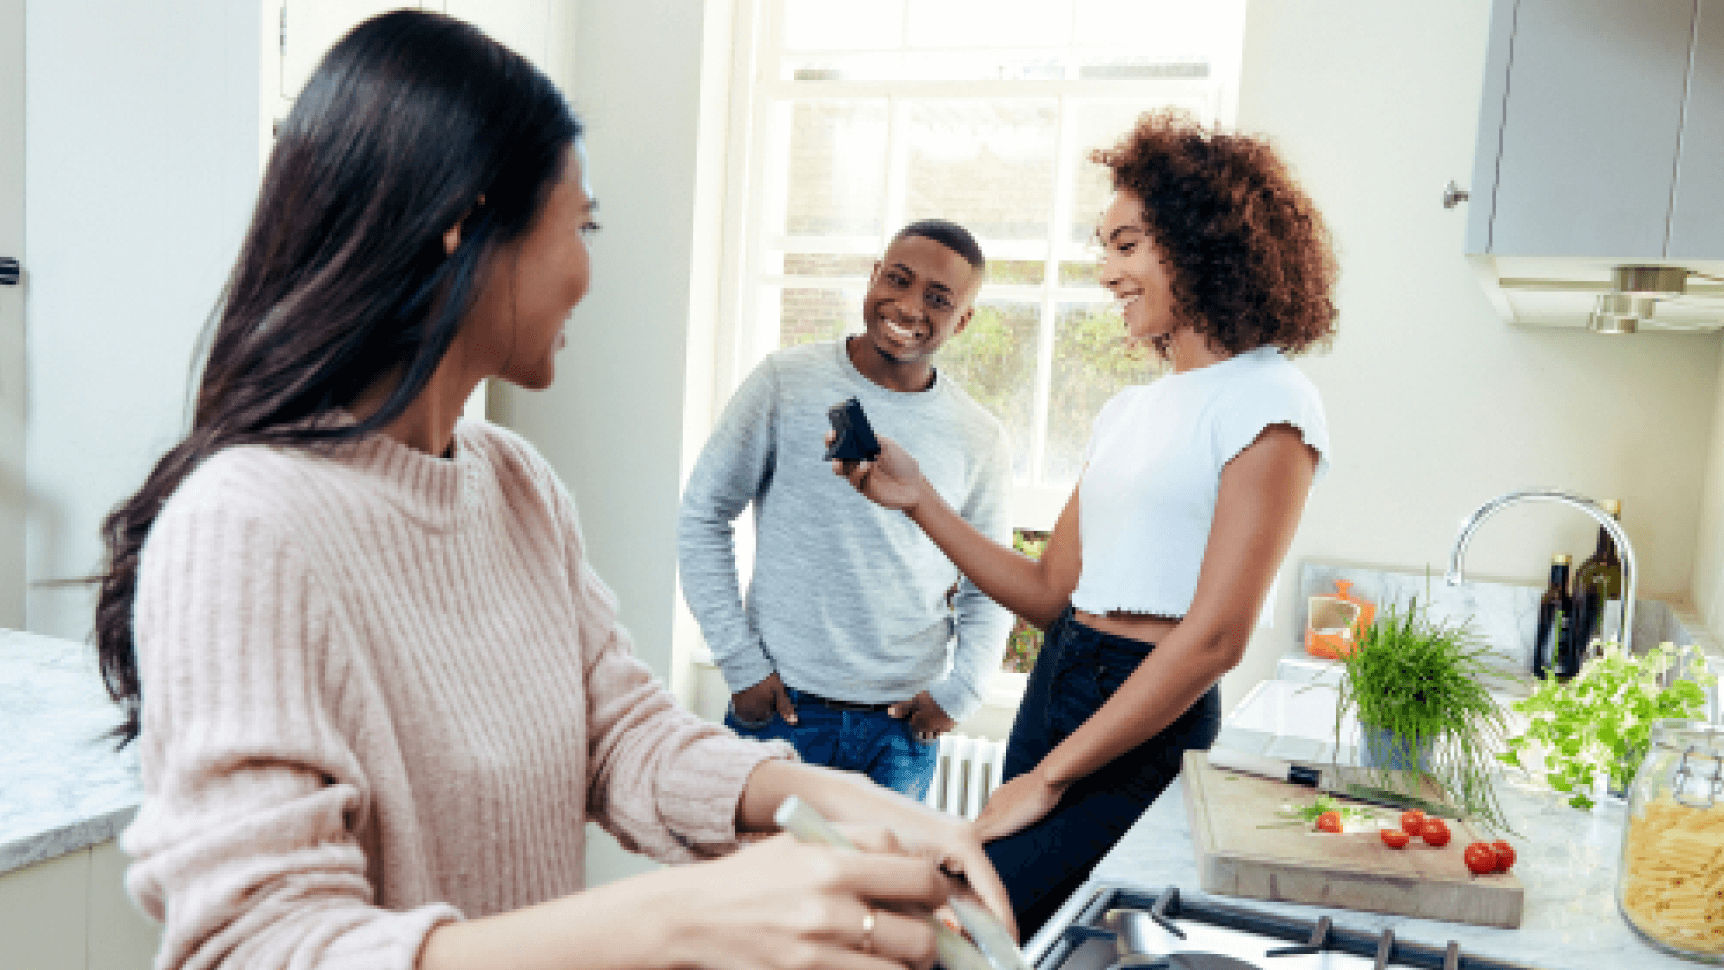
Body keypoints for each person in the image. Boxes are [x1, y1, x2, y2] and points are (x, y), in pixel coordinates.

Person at [90, 12, 1012, 970]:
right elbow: (255, 944)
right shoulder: (245, 523)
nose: (586, 275)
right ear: (464, 225)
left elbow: (620, 736)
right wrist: (679, 920)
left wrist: (833, 798)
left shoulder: (514, 484)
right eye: (581, 226)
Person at [834, 109, 1338, 938]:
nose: (1107, 273)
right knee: (996, 932)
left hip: (1146, 713)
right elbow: (1048, 592)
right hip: (1061, 680)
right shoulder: (1129, 411)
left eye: (1126, 245)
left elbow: (1215, 640)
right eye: (1105, 248)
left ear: (1201, 243)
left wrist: (1049, 779)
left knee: (966, 922)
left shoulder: (1271, 400)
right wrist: (918, 498)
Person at [678, 220, 1013, 800]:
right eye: (898, 280)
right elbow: (704, 515)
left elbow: (988, 581)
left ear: (962, 321)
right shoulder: (785, 381)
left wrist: (962, 693)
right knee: (756, 866)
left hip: (899, 732)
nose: (909, 307)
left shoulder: (979, 437)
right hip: (782, 710)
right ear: (874, 277)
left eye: (938, 299)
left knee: (875, 868)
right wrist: (740, 662)